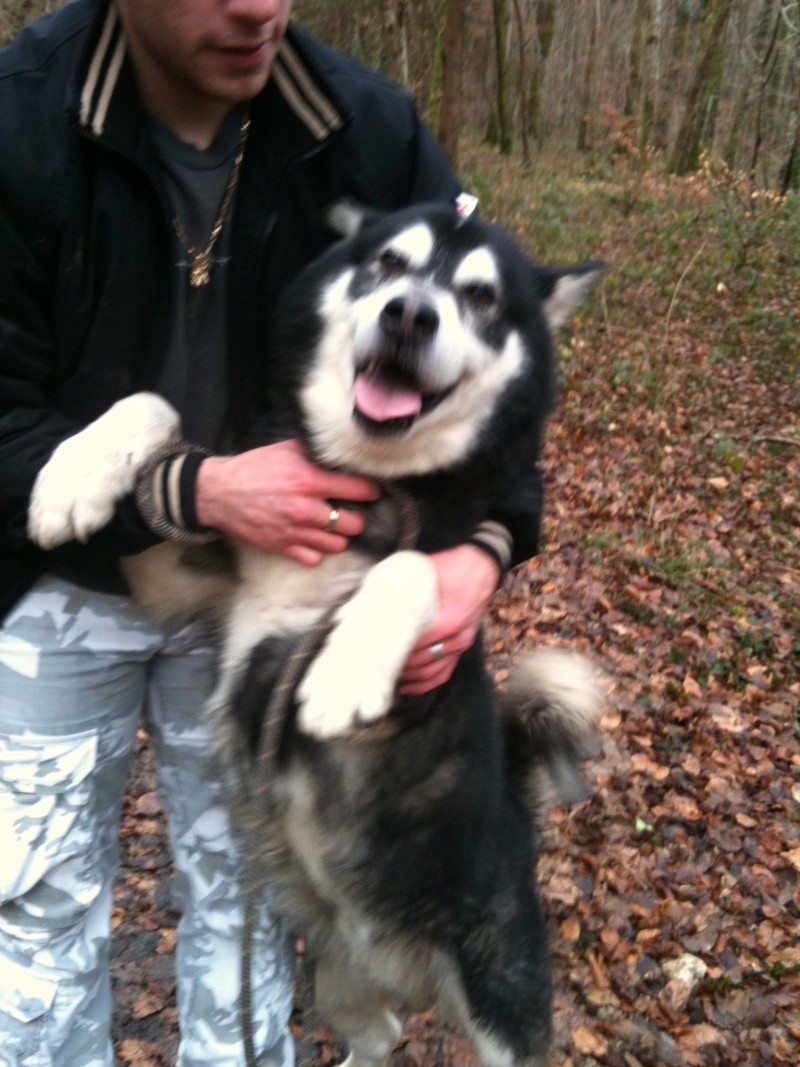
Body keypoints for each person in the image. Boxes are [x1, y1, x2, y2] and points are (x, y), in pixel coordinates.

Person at [0, 1, 544, 1064]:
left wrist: (480, 550)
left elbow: (494, 364)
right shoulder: (21, 124)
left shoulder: (365, 127)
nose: (254, 5)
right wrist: (190, 485)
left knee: (250, 910)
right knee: (35, 911)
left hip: (280, 588)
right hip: (54, 576)